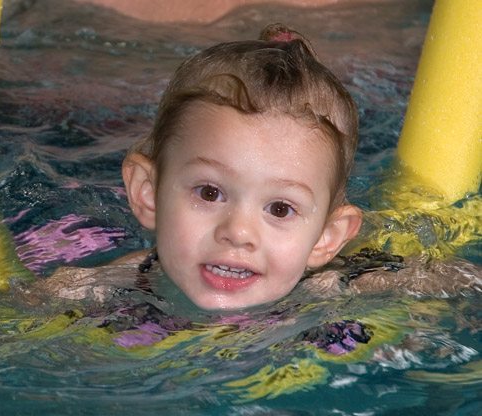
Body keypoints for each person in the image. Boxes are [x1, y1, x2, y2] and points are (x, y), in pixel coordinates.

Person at [30, 23, 480, 310]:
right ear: (148, 192)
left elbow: (455, 281)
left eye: (280, 209)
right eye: (209, 193)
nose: (238, 232)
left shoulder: (341, 285)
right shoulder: (103, 287)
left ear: (326, 238)